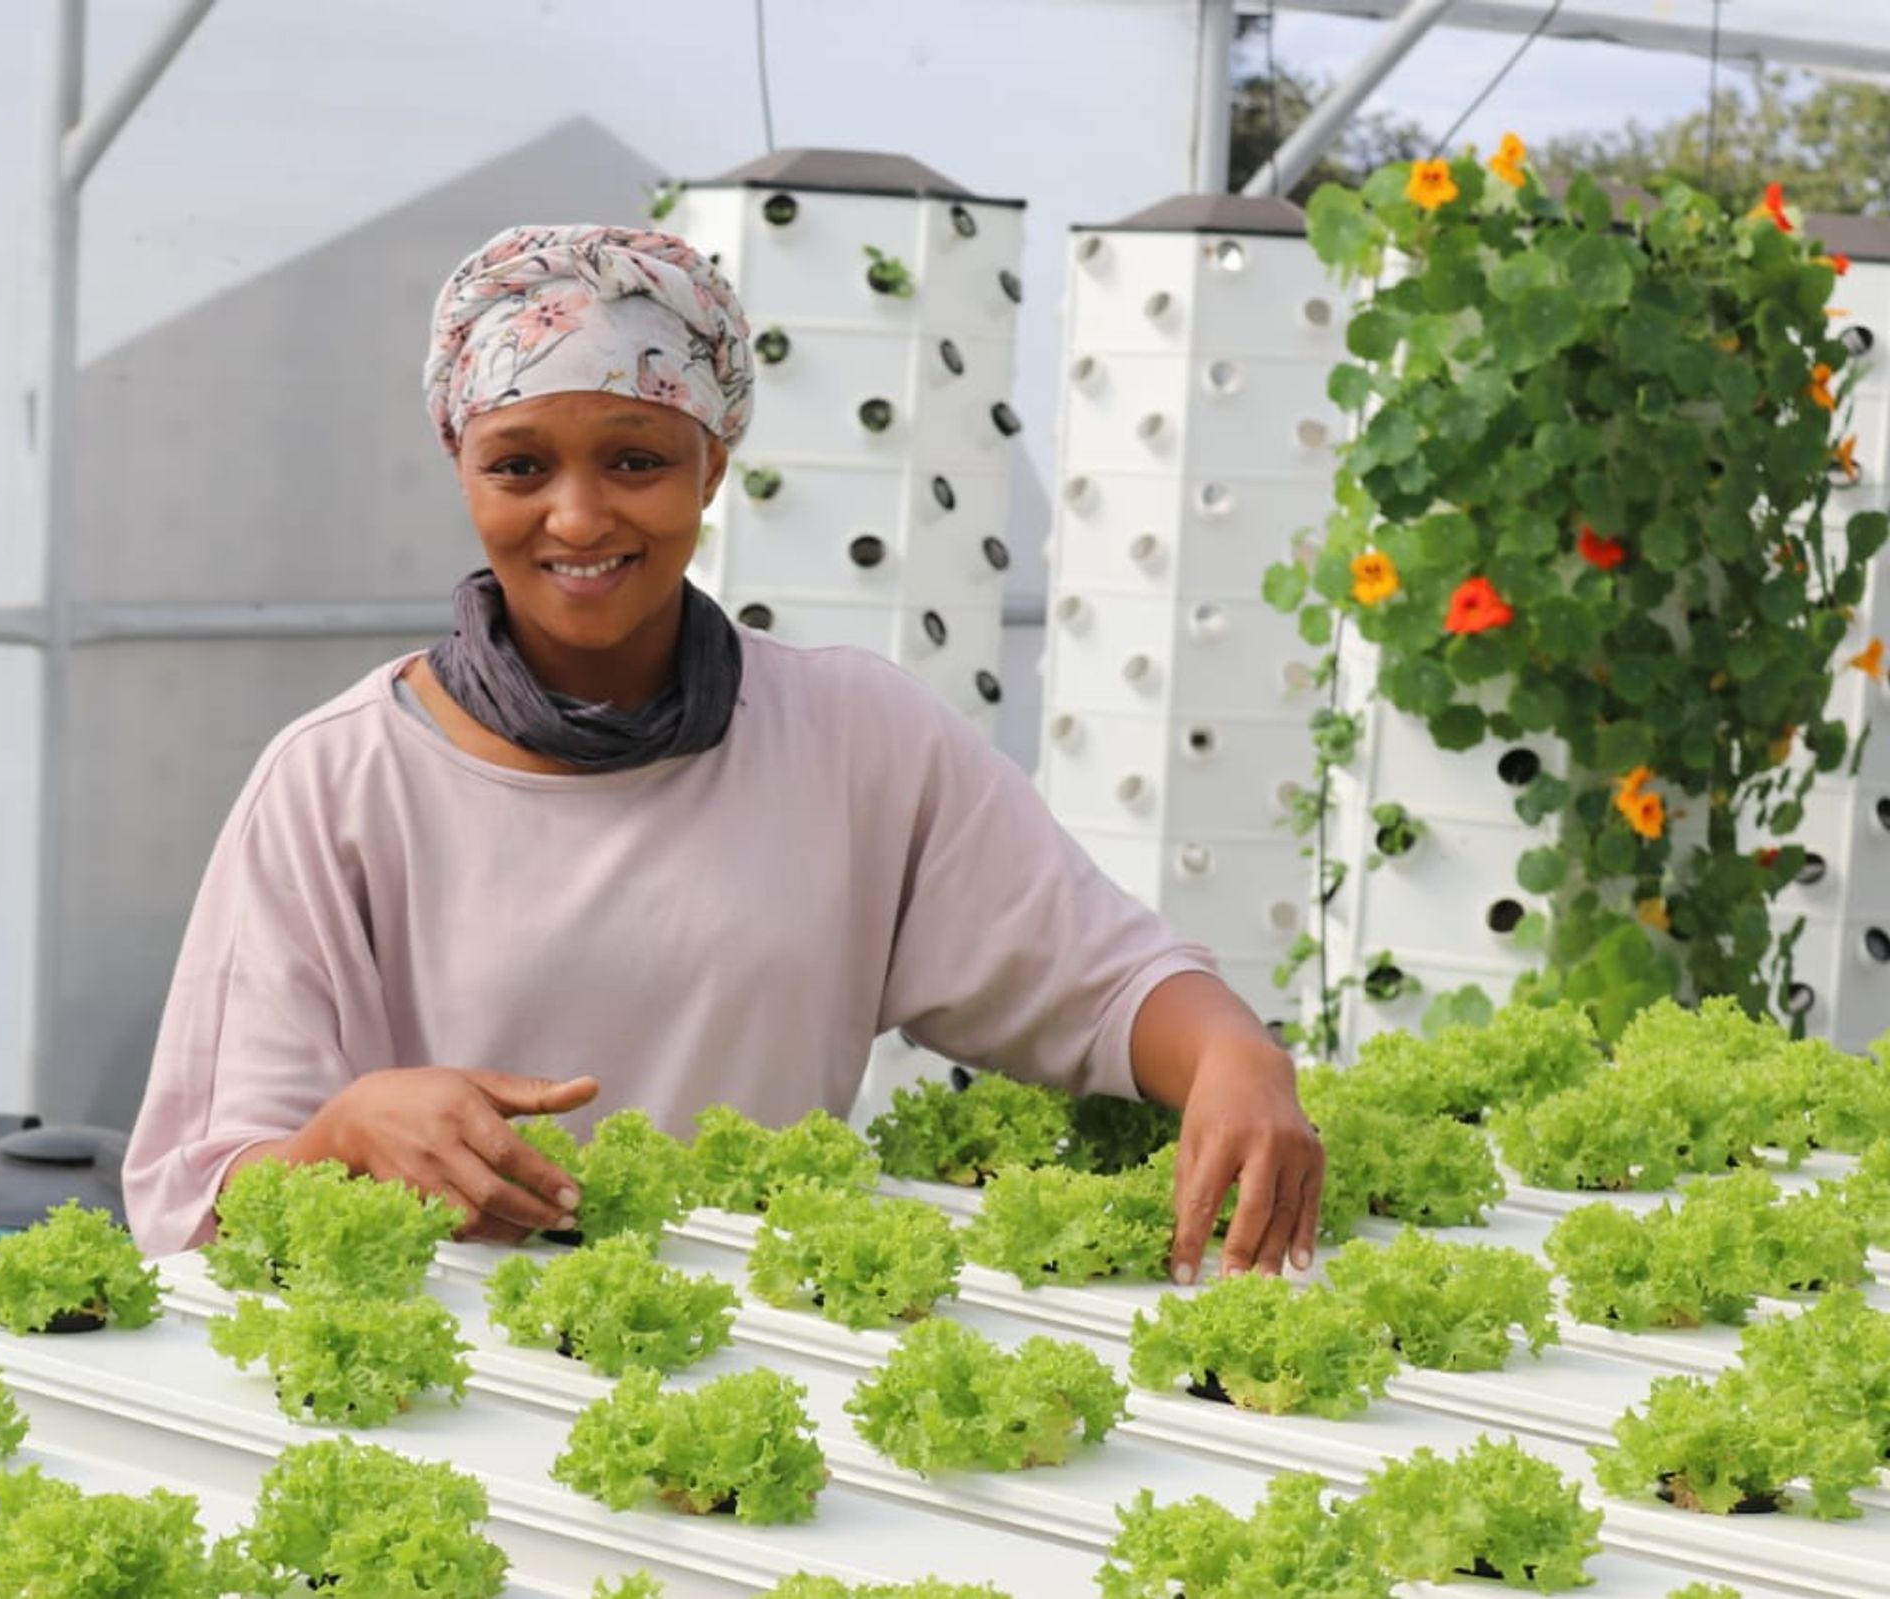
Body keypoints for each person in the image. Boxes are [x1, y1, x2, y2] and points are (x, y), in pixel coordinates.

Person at [122, 223, 1323, 1282]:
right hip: (433, 1401)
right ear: (464, 475)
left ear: (714, 468)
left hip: (765, 1367)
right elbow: (197, 1198)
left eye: (637, 459)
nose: (580, 518)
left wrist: (1234, 1056)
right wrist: (344, 1136)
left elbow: (1100, 979)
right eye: (520, 465)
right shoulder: (340, 778)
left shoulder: (856, 740)